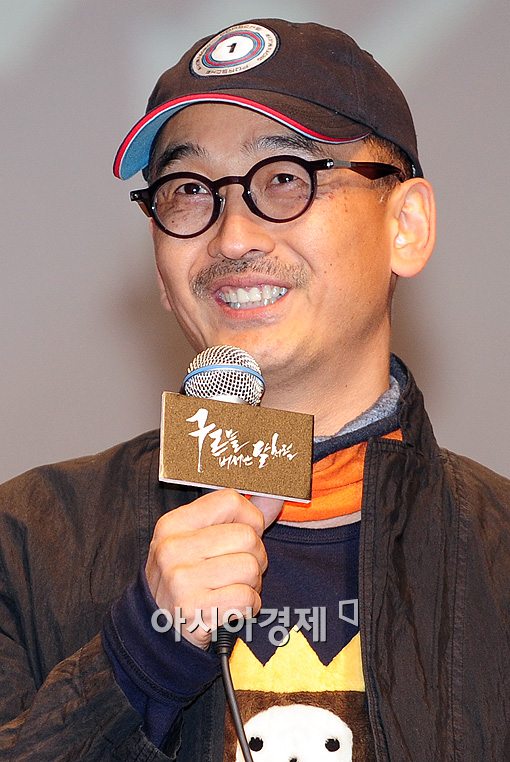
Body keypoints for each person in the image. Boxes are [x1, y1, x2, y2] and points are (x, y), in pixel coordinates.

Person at [0, 17, 508, 762]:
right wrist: (141, 657)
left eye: (285, 178)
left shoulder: (496, 553)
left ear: (406, 224)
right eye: (187, 190)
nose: (232, 237)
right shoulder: (25, 542)